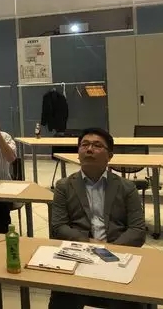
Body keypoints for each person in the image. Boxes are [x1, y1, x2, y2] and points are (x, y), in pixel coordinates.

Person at [49, 127, 146, 309]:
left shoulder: (127, 187)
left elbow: (137, 230)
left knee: (129, 299)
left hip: (117, 254)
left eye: (97, 145)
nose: (89, 149)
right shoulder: (64, 186)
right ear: (78, 153)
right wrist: (89, 244)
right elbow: (58, 227)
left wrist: (110, 250)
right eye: (84, 145)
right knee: (64, 298)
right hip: (78, 253)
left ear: (110, 156)